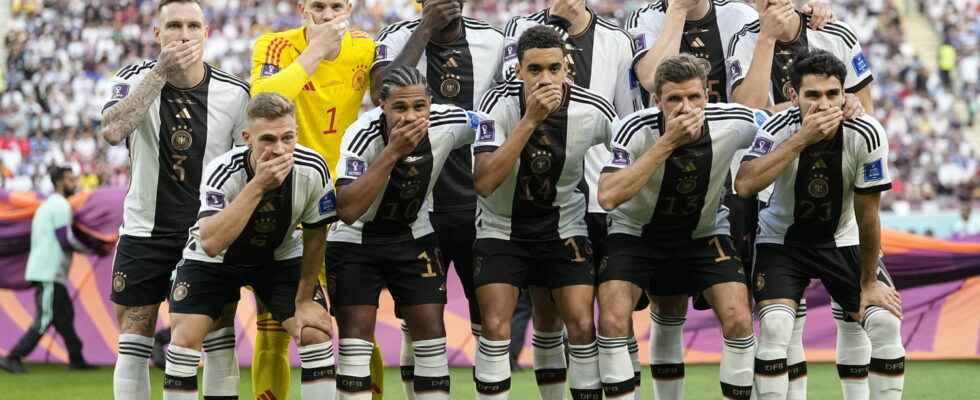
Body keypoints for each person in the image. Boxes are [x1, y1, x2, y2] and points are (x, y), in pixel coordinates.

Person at [625, 2, 831, 396]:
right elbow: (652, 79)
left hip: (742, 175)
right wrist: (678, 13)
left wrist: (813, 15)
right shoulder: (644, 18)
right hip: (672, 179)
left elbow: (756, 99)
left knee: (769, 303)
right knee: (667, 306)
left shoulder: (739, 15)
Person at [98, 0, 250, 398]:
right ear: (157, 34)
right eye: (174, 26)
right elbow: (113, 131)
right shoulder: (133, 77)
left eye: (193, 26)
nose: (184, 35)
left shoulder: (234, 93)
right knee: (133, 341)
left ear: (206, 33)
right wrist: (161, 72)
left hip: (207, 235)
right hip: (144, 231)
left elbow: (242, 170)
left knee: (218, 338)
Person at [735, 49, 905, 400]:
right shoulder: (777, 128)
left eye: (832, 93)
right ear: (792, 95)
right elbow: (745, 184)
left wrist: (869, 281)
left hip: (844, 239)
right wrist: (802, 139)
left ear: (845, 94)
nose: (824, 104)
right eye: (812, 95)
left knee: (886, 322)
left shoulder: (866, 132)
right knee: (776, 326)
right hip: (782, 242)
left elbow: (868, 213)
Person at [725, 2, 875, 396]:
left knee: (850, 313)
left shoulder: (836, 32)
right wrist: (767, 39)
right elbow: (748, 113)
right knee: (778, 316)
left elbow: (865, 112)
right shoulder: (744, 39)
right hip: (763, 185)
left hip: (830, 189)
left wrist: (849, 106)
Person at [597, 53, 763, 400]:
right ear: (657, 100)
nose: (685, 107)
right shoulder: (634, 129)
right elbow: (608, 196)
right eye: (674, 99)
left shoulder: (733, 121)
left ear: (707, 97)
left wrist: (851, 105)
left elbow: (783, 123)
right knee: (612, 320)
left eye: (694, 97)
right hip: (636, 233)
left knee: (739, 318)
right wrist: (667, 143)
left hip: (703, 234)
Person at [503, 4, 641, 397]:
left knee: (614, 313)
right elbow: (516, 99)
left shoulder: (616, 39)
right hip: (549, 199)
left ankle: (621, 389)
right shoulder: (520, 28)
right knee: (551, 313)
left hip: (603, 198)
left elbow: (625, 119)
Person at [472, 25, 616, 400]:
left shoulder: (593, 108)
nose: (546, 78)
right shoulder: (495, 105)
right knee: (495, 326)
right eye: (534, 70)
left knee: (582, 325)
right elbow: (484, 181)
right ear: (518, 70)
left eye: (554, 68)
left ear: (567, 67)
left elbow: (629, 150)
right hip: (502, 227)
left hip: (564, 226)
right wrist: (531, 119)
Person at [162, 92, 338, 400]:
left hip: (279, 257)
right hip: (212, 262)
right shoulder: (222, 171)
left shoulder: (313, 168)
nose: (279, 149)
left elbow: (315, 235)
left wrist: (305, 297)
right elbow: (212, 242)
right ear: (247, 138)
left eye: (287, 138)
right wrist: (258, 185)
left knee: (316, 333)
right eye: (267, 139)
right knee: (184, 340)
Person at [370, 1, 504, 396]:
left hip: (478, 207)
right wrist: (424, 29)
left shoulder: (493, 41)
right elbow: (380, 91)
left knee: (489, 321)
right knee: (418, 321)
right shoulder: (395, 38)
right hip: (417, 208)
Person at [328, 65, 486, 400]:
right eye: (400, 108)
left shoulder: (449, 122)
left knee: (430, 334)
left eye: (419, 106)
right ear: (381, 106)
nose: (410, 116)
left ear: (431, 103)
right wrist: (392, 152)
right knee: (356, 341)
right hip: (356, 240)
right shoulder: (360, 135)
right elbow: (347, 208)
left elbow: (491, 124)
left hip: (413, 235)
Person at [249, 1, 377, 397]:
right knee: (276, 331)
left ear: (350, 7)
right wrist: (316, 50)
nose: (327, 14)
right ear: (303, 8)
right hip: (288, 207)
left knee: (358, 329)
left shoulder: (366, 48)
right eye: (317, 5)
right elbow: (263, 100)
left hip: (347, 207)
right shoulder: (273, 45)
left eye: (336, 5)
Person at [0, 166, 98, 374]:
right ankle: (13, 357)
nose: (75, 184)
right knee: (46, 317)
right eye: (72, 180)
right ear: (61, 182)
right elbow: (65, 239)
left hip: (49, 271)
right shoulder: (61, 206)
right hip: (49, 272)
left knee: (64, 318)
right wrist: (92, 248)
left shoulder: (46, 206)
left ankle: (76, 358)